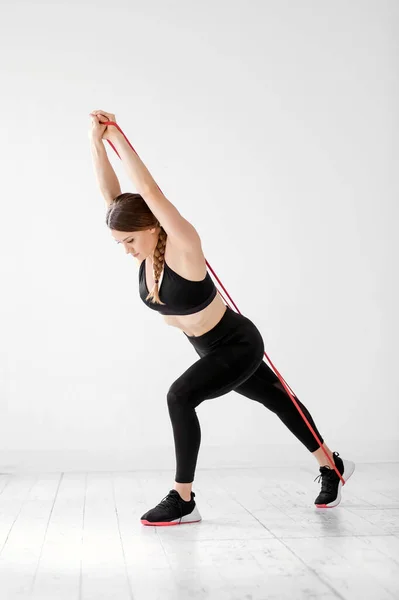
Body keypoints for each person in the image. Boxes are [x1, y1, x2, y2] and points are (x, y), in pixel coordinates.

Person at [89, 109, 355, 526]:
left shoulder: (183, 247)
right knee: (279, 401)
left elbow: (151, 193)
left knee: (180, 396)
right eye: (119, 242)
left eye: (129, 240)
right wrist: (95, 140)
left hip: (235, 343)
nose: (125, 249)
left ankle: (183, 499)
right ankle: (332, 465)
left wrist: (119, 138)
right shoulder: (144, 251)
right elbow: (114, 199)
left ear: (154, 227)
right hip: (207, 347)